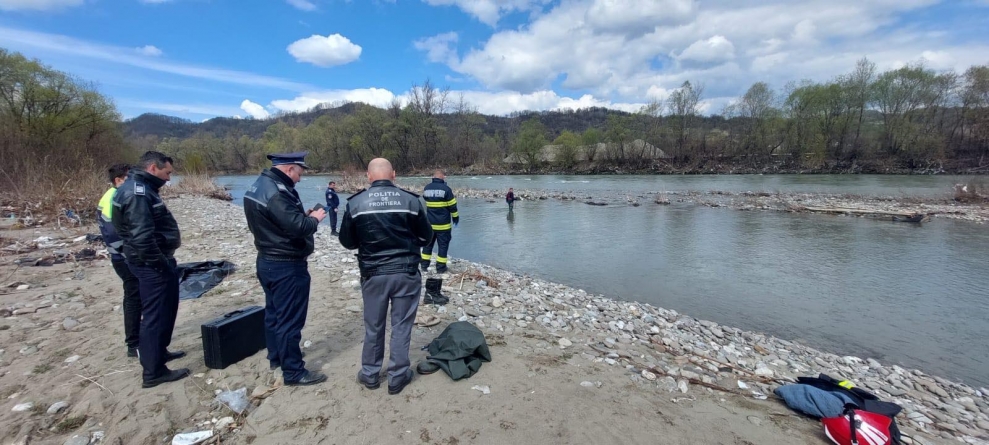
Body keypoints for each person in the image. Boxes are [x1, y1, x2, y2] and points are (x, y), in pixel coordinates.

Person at [339, 158, 433, 395]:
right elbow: (426, 237)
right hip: (405, 272)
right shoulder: (411, 201)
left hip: (373, 273)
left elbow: (347, 242)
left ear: (368, 176)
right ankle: (397, 376)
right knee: (401, 326)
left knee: (374, 325)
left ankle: (370, 374)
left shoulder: (356, 203)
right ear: (394, 174)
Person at [244, 151, 328, 386]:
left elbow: (279, 220)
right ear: (290, 169)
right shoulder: (277, 192)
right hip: (286, 264)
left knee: (274, 314)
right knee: (290, 320)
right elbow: (299, 228)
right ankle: (293, 371)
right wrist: (315, 218)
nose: (300, 178)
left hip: (267, 259)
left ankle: (277, 357)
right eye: (299, 173)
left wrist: (302, 216)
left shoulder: (260, 185)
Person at [111, 151, 188, 388]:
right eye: (167, 173)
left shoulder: (140, 189)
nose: (169, 178)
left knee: (165, 310)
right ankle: (153, 372)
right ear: (153, 168)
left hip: (152, 261)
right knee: (155, 315)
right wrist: (160, 264)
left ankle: (159, 352)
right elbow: (142, 237)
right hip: (150, 264)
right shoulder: (137, 193)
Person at [98, 163, 142, 358]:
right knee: (133, 298)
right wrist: (134, 254)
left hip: (124, 256)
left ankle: (138, 340)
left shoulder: (114, 195)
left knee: (137, 297)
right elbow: (113, 233)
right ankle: (134, 344)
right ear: (118, 180)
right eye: (130, 179)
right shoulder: (113, 198)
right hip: (124, 258)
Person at [420, 170, 458, 274]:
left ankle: (424, 266)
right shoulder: (446, 189)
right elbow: (453, 206)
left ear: (433, 177)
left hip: (430, 225)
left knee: (428, 245)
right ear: (443, 177)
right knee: (443, 246)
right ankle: (441, 268)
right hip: (443, 225)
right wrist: (455, 218)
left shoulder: (427, 188)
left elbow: (426, 199)